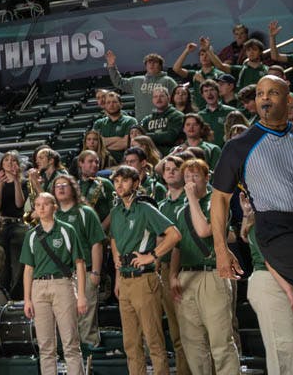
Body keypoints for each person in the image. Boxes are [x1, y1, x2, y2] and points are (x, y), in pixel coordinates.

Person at [210, 73, 293, 310]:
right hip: (275, 230)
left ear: (289, 100)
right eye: (260, 94)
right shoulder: (238, 146)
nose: (265, 99)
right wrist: (221, 249)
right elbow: (220, 200)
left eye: (273, 93)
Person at [109, 164, 182, 375]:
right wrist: (116, 269)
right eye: (116, 181)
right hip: (125, 281)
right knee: (130, 344)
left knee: (154, 342)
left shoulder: (145, 208)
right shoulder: (116, 211)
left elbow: (174, 234)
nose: (120, 184)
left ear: (136, 183)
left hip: (144, 280)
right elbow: (114, 239)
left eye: (124, 180)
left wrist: (152, 256)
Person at [168, 157, 238, 375]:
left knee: (220, 341)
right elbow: (177, 246)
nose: (190, 181)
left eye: (195, 176)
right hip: (187, 276)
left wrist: (190, 198)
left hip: (212, 274)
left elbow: (203, 230)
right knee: (192, 343)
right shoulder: (181, 209)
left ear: (207, 178)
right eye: (187, 176)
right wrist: (172, 275)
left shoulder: (216, 201)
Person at [19, 192, 87, 375]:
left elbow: (80, 264)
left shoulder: (67, 230)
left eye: (46, 204)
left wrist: (81, 295)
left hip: (63, 284)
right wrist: (27, 299)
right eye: (38, 205)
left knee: (70, 343)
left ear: (54, 207)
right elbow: (28, 269)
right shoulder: (31, 235)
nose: (41, 208)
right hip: (38, 288)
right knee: (45, 346)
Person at [51, 173, 104, 351]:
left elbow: (96, 243)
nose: (61, 188)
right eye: (57, 185)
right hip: (61, 276)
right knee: (65, 318)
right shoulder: (52, 215)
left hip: (86, 272)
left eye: (65, 184)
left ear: (73, 189)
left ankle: (91, 355)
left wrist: (96, 272)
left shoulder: (85, 212)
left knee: (86, 317)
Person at [243, 201, 293, 375]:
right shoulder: (261, 222)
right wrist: (289, 290)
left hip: (283, 280)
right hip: (271, 281)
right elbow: (270, 260)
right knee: (282, 347)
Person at [106, 50, 179, 119]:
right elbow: (119, 82)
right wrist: (112, 66)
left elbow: (178, 100)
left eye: (155, 62)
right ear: (146, 66)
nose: (151, 64)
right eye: (149, 62)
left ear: (160, 66)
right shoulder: (137, 81)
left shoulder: (168, 81)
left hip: (163, 121)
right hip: (142, 122)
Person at [141, 85, 185, 152]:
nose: (158, 99)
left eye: (161, 96)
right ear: (152, 100)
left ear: (169, 98)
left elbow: (170, 137)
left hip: (171, 154)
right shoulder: (147, 120)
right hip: (151, 155)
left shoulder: (177, 116)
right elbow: (141, 139)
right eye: (155, 97)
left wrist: (146, 136)